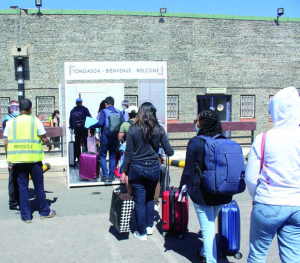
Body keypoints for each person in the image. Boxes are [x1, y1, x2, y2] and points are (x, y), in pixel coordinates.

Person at [245, 86, 300, 263]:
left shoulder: (264, 138)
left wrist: (256, 195)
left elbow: (251, 178)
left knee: (257, 255)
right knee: (292, 257)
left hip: (268, 202)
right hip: (297, 204)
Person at [179, 109, 232, 263]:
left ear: (202, 124)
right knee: (210, 224)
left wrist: (183, 188)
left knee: (208, 230)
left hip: (202, 193)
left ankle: (210, 260)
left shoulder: (195, 142)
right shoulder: (224, 139)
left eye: (197, 121)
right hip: (222, 192)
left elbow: (188, 171)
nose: (196, 124)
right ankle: (204, 251)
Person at [120, 102, 174, 241]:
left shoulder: (133, 129)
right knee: (150, 198)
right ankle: (149, 227)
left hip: (136, 168)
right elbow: (170, 151)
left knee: (139, 201)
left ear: (140, 113)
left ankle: (141, 232)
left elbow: (129, 153)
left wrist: (123, 171)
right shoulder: (159, 129)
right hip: (153, 168)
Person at [4, 99, 56, 223]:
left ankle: (26, 216)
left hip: (18, 160)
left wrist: (9, 159)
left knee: (22, 188)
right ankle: (44, 212)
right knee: (39, 186)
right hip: (34, 160)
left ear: (19, 109)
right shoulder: (35, 121)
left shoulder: (11, 122)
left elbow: (6, 142)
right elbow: (43, 138)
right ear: (31, 109)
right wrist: (48, 144)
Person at [89, 96, 124, 182]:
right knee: (112, 156)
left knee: (103, 155)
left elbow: (100, 123)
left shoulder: (104, 111)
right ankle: (111, 176)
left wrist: (92, 126)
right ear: (113, 103)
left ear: (105, 103)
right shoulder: (119, 112)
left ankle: (105, 175)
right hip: (115, 137)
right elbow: (123, 123)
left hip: (105, 136)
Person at [2, 100, 20, 210]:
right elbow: (6, 142)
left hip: (16, 153)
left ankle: (18, 199)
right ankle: (13, 203)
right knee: (13, 179)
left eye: (18, 107)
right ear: (9, 108)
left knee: (18, 177)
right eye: (14, 107)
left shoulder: (13, 119)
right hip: (11, 154)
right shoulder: (7, 120)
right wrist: (9, 160)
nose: (17, 109)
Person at [118, 105, 138, 194]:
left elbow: (120, 138)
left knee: (127, 170)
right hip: (138, 148)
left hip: (127, 148)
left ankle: (129, 193)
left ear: (129, 114)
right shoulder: (140, 124)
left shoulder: (125, 124)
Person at [69, 98, 91, 162]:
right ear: (81, 102)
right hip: (84, 129)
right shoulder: (84, 109)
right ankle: (87, 156)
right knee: (86, 142)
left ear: (76, 103)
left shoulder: (72, 111)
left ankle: (78, 157)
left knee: (77, 143)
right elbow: (89, 117)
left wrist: (72, 127)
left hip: (76, 129)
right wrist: (89, 126)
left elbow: (70, 120)